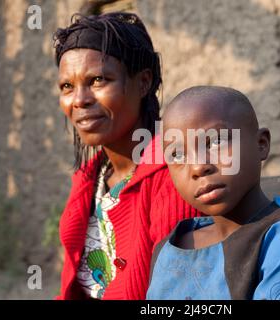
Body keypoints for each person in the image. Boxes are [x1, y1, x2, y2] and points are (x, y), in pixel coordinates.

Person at [146, 86, 280, 300]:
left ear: (261, 144)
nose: (198, 167)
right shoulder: (168, 249)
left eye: (216, 142)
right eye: (177, 154)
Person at [53, 12, 201, 300]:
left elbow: (180, 296)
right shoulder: (91, 179)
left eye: (98, 80)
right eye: (67, 86)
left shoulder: (174, 176)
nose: (79, 100)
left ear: (143, 82)